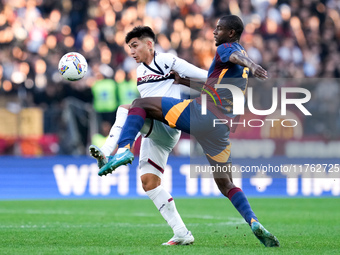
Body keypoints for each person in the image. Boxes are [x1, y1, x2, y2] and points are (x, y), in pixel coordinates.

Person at [99, 16, 280, 247]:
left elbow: (236, 56)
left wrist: (252, 64)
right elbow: (212, 83)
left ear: (232, 33)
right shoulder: (235, 71)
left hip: (201, 114)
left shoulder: (228, 49)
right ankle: (253, 220)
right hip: (219, 130)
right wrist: (183, 81)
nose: (215, 32)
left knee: (139, 105)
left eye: (219, 29)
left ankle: (124, 148)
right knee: (227, 185)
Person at [89, 26, 208, 245]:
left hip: (170, 123)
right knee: (149, 182)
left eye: (135, 46)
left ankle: (113, 151)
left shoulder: (168, 61)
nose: (131, 52)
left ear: (149, 44)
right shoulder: (140, 72)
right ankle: (182, 233)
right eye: (129, 48)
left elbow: (206, 77)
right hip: (154, 132)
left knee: (127, 107)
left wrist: (185, 82)